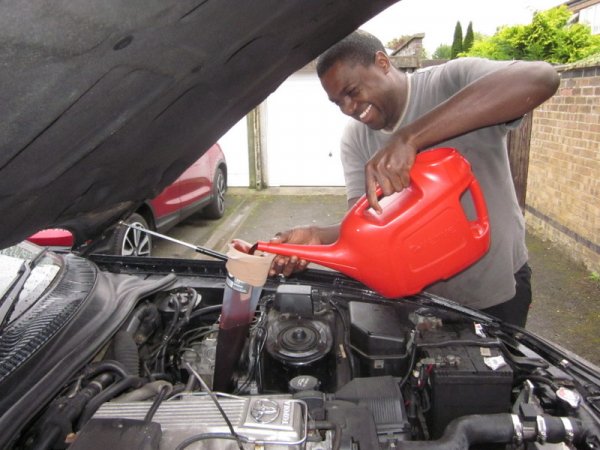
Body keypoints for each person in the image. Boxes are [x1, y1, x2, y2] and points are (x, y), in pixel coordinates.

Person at [268, 30, 560, 327]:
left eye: (352, 92)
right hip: (419, 304)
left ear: (382, 62)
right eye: (338, 103)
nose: (348, 109)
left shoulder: (451, 81)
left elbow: (542, 78)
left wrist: (410, 138)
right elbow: (366, 229)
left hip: (496, 291)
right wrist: (316, 236)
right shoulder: (355, 139)